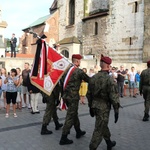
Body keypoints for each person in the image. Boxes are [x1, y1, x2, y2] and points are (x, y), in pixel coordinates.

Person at [87, 55, 120, 150]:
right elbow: (113, 96)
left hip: (95, 105)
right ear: (108, 66)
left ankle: (109, 142)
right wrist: (116, 109)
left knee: (102, 124)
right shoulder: (109, 79)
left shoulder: (93, 77)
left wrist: (90, 106)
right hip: (104, 107)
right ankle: (92, 147)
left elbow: (88, 94)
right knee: (99, 129)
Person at [59, 54, 89, 145]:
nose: (80, 62)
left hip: (66, 96)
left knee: (74, 114)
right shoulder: (78, 71)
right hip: (73, 98)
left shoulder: (66, 70)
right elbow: (88, 79)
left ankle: (78, 131)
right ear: (77, 61)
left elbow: (61, 82)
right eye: (79, 60)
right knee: (70, 117)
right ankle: (63, 138)